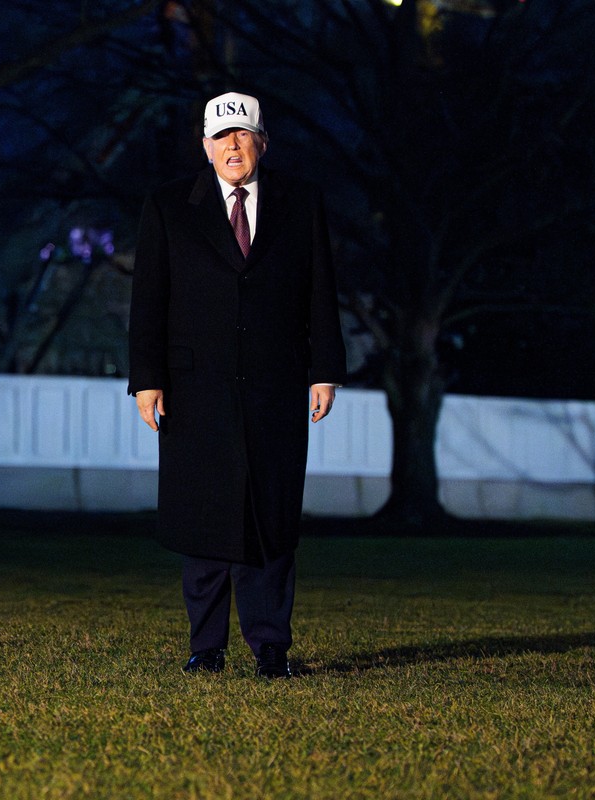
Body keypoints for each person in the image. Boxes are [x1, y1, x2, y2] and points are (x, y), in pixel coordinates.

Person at [127, 91, 347, 678]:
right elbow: (148, 300)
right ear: (205, 146)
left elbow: (320, 292)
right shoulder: (170, 206)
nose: (233, 146)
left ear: (262, 142)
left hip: (276, 387)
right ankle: (207, 648)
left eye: (243, 135)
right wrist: (146, 380)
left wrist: (324, 369)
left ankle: (271, 646)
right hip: (194, 390)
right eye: (221, 137)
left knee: (270, 518)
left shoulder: (300, 203)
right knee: (203, 519)